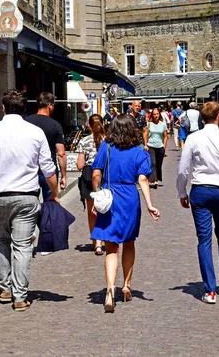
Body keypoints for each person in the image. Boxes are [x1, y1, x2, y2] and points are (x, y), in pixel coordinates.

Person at [0, 89, 59, 312]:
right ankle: (20, 296)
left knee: (1, 240)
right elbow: (48, 169)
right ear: (24, 109)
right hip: (26, 197)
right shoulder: (35, 133)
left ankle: (5, 289)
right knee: (23, 246)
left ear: (3, 108)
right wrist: (55, 193)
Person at [176, 101, 219, 305]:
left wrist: (182, 191)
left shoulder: (193, 139)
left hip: (200, 191)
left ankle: (210, 290)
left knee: (204, 239)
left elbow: (183, 170)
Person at [91, 115, 160, 313]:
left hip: (110, 197)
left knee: (111, 248)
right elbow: (143, 180)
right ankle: (127, 285)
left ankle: (110, 289)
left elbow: (96, 174)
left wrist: (97, 195)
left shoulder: (106, 147)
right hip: (130, 198)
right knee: (129, 242)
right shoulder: (140, 153)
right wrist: (149, 205)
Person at [25, 92, 67, 200]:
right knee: (51, 204)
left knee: (30, 203)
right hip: (48, 171)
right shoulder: (55, 125)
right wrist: (64, 176)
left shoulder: (26, 122)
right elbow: (61, 153)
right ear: (50, 106)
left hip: (28, 169)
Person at [76, 114, 106, 255]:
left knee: (91, 211)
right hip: (104, 174)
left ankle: (96, 242)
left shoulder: (84, 141)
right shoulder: (108, 141)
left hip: (88, 174)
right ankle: (103, 240)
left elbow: (80, 165)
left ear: (88, 126)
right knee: (104, 209)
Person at [144, 108, 168, 188]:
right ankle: (154, 180)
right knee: (153, 163)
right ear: (152, 115)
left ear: (159, 114)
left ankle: (157, 178)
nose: (156, 115)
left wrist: (164, 147)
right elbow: (146, 134)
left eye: (157, 114)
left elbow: (165, 137)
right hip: (151, 145)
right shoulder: (149, 124)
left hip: (160, 146)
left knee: (158, 164)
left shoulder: (163, 124)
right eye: (154, 114)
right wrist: (145, 144)